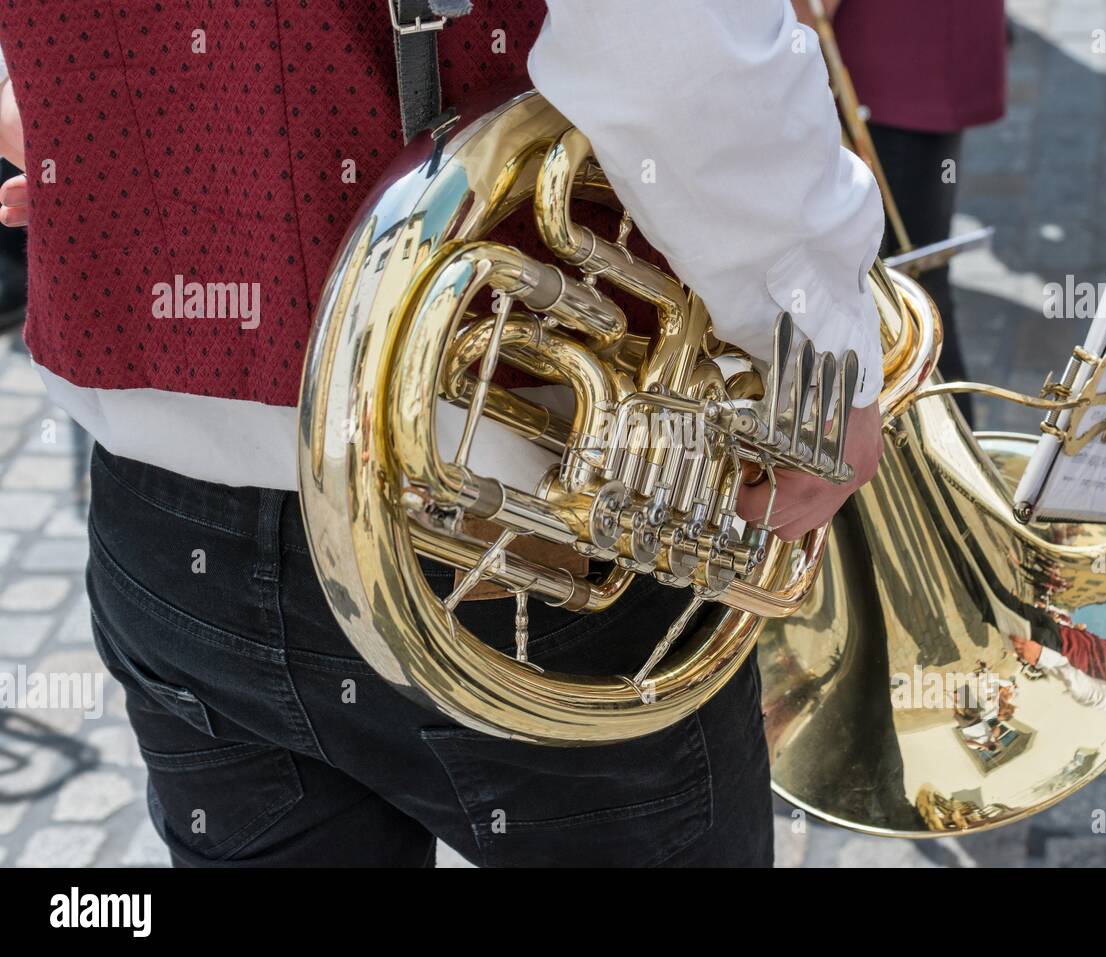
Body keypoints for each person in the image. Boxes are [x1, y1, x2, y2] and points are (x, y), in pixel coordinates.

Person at [0, 1, 887, 867]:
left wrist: (71, 117)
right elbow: (674, 52)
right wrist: (817, 347)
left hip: (166, 526)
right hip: (518, 518)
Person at [797, 0, 1007, 421]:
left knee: (907, 298)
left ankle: (949, 475)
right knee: (901, 292)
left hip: (894, 48)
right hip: (890, 42)